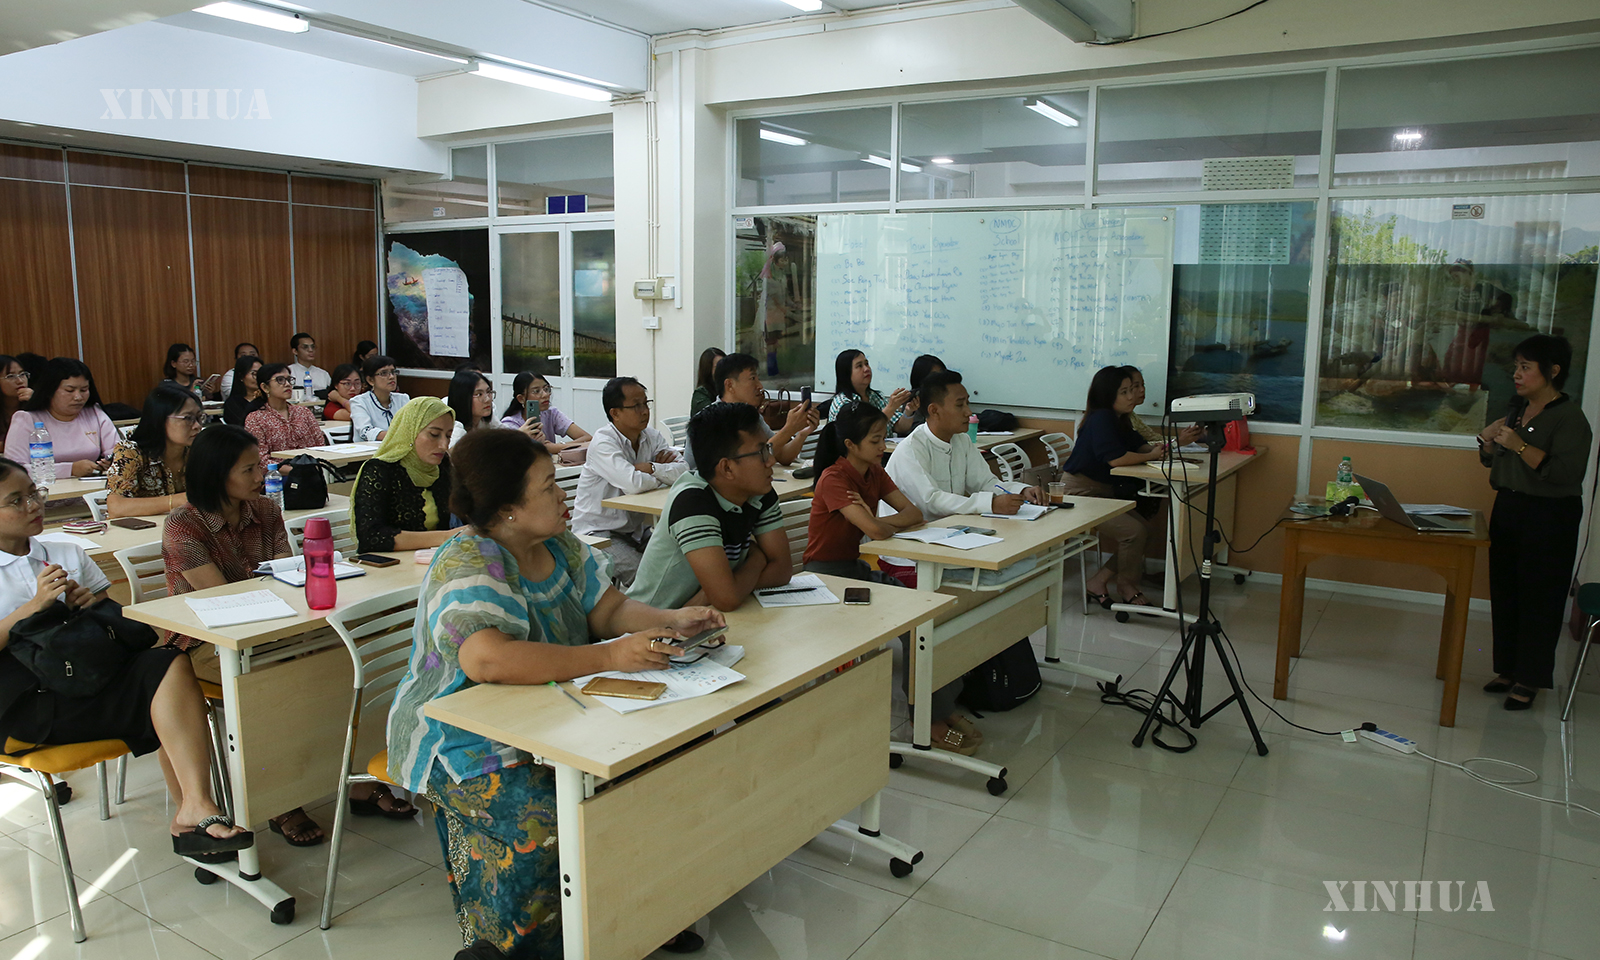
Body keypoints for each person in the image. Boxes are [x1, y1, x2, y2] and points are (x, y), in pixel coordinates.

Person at [385, 428, 721, 959]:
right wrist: (610, 657)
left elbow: (607, 609)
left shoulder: (558, 544)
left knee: (657, 774)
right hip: (464, 740)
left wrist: (670, 619)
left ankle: (634, 914)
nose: (563, 494)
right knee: (549, 821)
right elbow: (488, 659)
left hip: (556, 716)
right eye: (548, 486)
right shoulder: (470, 560)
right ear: (508, 508)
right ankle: (516, 948)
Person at [0, 457, 251, 859]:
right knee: (166, 703)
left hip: (87, 677)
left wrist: (90, 606)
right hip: (29, 701)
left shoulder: (66, 551)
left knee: (168, 663)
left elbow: (120, 628)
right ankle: (195, 816)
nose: (33, 505)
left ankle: (195, 806)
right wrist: (32, 609)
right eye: (16, 500)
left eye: (34, 493)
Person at [160, 424, 326, 845]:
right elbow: (223, 597)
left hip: (272, 626)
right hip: (205, 641)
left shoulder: (266, 510)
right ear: (217, 474)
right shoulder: (183, 525)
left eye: (260, 465)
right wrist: (273, 587)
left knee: (334, 657)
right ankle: (279, 799)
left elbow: (287, 575)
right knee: (273, 682)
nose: (261, 475)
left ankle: (333, 773)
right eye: (249, 469)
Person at [805, 402, 985, 754]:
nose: (882, 446)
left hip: (854, 570)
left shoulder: (874, 472)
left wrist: (876, 523)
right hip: (826, 579)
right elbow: (876, 531)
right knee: (915, 624)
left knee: (926, 616)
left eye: (882, 438)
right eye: (875, 440)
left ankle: (938, 708)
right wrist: (878, 526)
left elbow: (913, 514)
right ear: (851, 445)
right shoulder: (834, 479)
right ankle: (927, 717)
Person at [1477, 334, 1591, 710]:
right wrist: (1488, 444)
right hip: (1509, 506)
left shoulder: (1569, 418)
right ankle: (1507, 669)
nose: (1517, 374)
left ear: (1552, 371)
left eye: (1526, 367)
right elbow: (1498, 463)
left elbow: (1564, 472)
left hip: (1549, 514)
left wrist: (1519, 445)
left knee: (1540, 596)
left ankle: (1530, 678)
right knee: (1506, 590)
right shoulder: (1517, 410)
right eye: (1516, 367)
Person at [627, 401, 793, 611]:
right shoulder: (693, 503)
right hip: (651, 623)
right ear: (727, 468)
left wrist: (715, 592)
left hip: (701, 617)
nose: (771, 461)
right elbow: (727, 599)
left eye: (768, 448)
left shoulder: (759, 492)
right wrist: (758, 558)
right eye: (761, 453)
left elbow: (782, 571)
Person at [1060, 366, 1168, 609]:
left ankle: (1098, 581)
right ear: (1108, 395)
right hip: (1079, 494)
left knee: (1145, 531)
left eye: (1132, 390)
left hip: (1101, 492)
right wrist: (1150, 455)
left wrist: (1155, 451)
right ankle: (1127, 586)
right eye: (1124, 392)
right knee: (1134, 532)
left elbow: (1139, 446)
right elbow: (1116, 459)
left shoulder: (1120, 419)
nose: (1132, 396)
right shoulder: (1102, 418)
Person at [570, 377, 687, 589]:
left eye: (646, 403)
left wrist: (650, 468)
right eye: (636, 406)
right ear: (615, 413)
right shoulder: (603, 442)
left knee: (684, 561)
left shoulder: (651, 436)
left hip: (636, 531)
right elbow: (634, 484)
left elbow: (683, 470)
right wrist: (661, 476)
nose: (644, 411)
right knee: (648, 579)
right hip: (598, 533)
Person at [885, 370, 1041, 520]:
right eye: (960, 405)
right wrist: (990, 504)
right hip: (908, 532)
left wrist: (1021, 491)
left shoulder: (961, 440)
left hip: (947, 527)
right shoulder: (911, 449)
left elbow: (985, 483)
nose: (969, 412)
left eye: (967, 403)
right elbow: (931, 500)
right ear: (934, 410)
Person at [352, 397, 464, 553]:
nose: (444, 445)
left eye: (448, 436)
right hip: (392, 564)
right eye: (434, 434)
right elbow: (371, 536)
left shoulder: (442, 466)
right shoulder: (379, 470)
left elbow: (466, 514)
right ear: (410, 432)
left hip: (432, 559)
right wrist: (445, 537)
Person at [684, 353, 816, 469]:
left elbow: (781, 456)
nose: (760, 386)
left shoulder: (751, 416)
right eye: (752, 379)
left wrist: (802, 433)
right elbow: (754, 460)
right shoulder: (710, 421)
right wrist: (789, 429)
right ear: (730, 385)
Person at [4, 357, 118, 478]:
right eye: (70, 390)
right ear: (50, 391)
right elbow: (14, 470)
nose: (78, 397)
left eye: (84, 390)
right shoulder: (26, 419)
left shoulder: (94, 413)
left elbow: (117, 451)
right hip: (46, 486)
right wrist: (70, 469)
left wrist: (111, 462)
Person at [106, 385, 203, 518]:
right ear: (160, 419)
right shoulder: (131, 452)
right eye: (188, 418)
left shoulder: (199, 450)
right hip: (142, 528)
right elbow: (116, 507)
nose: (197, 425)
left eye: (199, 417)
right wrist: (180, 500)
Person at [244, 363, 326, 472]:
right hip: (277, 476)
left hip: (311, 472)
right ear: (265, 387)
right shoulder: (255, 419)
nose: (287, 384)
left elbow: (321, 446)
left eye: (289, 380)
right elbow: (261, 460)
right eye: (280, 380)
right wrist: (294, 471)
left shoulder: (303, 412)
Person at [500, 372, 593, 457]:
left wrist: (556, 447)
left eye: (546, 389)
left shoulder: (551, 413)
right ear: (521, 398)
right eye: (536, 391)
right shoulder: (510, 424)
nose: (545, 394)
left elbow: (587, 438)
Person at [826, 349, 912, 435]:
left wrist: (908, 412)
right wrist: (890, 408)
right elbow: (864, 434)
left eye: (866, 364)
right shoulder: (843, 403)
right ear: (846, 373)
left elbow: (899, 427)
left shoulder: (876, 396)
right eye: (859, 366)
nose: (866, 369)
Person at [1120, 366, 1201, 446]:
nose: (1142, 389)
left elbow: (1154, 437)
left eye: (1143, 385)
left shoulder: (1132, 416)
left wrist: (1188, 437)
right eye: (1136, 386)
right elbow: (1136, 447)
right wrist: (1177, 442)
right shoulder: (1118, 418)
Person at [350, 355, 410, 442]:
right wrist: (398, 435)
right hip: (369, 449)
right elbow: (366, 431)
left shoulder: (403, 399)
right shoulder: (359, 402)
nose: (391, 376)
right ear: (371, 380)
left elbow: (412, 427)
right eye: (384, 373)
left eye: (393, 372)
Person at [447, 369, 496, 447]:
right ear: (462, 399)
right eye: (479, 394)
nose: (488, 399)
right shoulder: (456, 430)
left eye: (488, 392)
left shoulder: (485, 421)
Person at [902, 354, 946, 428]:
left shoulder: (948, 395)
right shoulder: (913, 399)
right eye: (934, 375)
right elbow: (913, 428)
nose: (939, 379)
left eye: (942, 374)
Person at [0, 355, 33, 450]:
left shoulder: (34, 404)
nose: (20, 381)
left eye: (22, 374)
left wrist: (36, 402)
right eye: (11, 376)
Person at [222, 355, 265, 427]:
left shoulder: (269, 399)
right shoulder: (232, 404)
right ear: (241, 376)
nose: (259, 377)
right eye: (254, 374)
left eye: (261, 373)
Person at [690, 347, 726, 416]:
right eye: (718, 366)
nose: (724, 370)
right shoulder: (701, 393)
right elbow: (715, 416)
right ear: (708, 370)